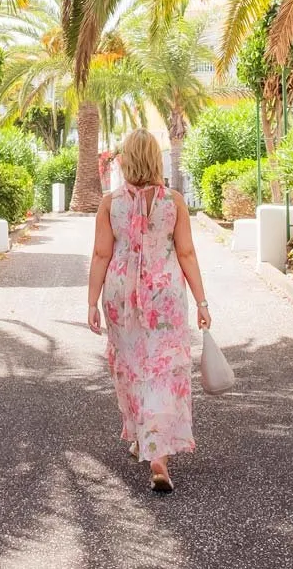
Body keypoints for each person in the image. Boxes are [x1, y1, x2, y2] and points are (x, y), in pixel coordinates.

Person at [86, 129, 212, 493]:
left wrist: (92, 301)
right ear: (156, 160)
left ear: (124, 160)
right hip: (165, 297)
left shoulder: (111, 204)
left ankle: (146, 440)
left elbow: (101, 254)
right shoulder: (174, 202)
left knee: (131, 366)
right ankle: (157, 453)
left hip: (122, 296)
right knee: (165, 368)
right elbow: (186, 253)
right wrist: (202, 302)